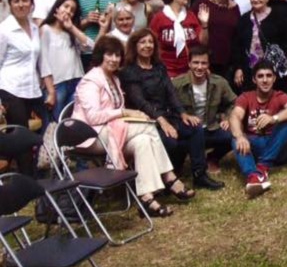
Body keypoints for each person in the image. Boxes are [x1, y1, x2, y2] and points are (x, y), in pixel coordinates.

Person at [73, 36, 194, 217]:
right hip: (90, 136)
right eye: (109, 55)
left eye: (117, 56)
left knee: (143, 141)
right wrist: (125, 113)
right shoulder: (90, 81)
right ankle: (169, 177)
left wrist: (125, 114)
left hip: (112, 132)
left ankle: (146, 198)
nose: (114, 59)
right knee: (148, 127)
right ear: (100, 56)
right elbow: (93, 117)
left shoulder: (114, 78)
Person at [121, 29, 223, 191]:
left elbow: (170, 92)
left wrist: (183, 114)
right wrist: (162, 122)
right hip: (147, 121)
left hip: (168, 115)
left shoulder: (159, 66)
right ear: (134, 46)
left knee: (195, 127)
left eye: (150, 42)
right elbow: (140, 102)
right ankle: (167, 178)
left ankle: (200, 175)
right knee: (170, 140)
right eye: (142, 42)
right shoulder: (129, 72)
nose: (147, 46)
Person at [230, 61, 287, 198]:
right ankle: (253, 177)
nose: (265, 80)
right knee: (236, 137)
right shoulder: (246, 97)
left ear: (274, 78)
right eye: (260, 76)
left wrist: (273, 118)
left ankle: (262, 167)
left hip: (277, 148)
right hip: (254, 146)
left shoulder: (279, 96)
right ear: (254, 79)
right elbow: (235, 116)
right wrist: (240, 136)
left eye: (269, 76)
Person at [0, 0, 49, 174]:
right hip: (11, 89)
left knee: (36, 134)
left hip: (32, 90)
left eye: (24, 0)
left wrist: (50, 89)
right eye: (16, 1)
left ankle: (26, 173)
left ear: (31, 3)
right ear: (10, 5)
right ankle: (28, 182)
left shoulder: (35, 29)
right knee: (20, 137)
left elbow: (40, 61)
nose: (21, 5)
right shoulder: (4, 30)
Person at [39, 0, 108, 121]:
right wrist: (50, 91)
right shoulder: (46, 29)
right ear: (57, 7)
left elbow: (91, 47)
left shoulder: (71, 31)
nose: (68, 11)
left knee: (74, 121)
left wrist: (71, 27)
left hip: (76, 81)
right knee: (55, 122)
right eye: (66, 6)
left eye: (72, 10)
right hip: (57, 84)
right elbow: (43, 62)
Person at [172, 45, 237, 174]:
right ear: (189, 63)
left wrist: (228, 118)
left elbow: (234, 102)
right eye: (196, 62)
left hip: (210, 128)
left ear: (208, 64)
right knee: (174, 145)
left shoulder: (219, 83)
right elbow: (170, 108)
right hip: (187, 131)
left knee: (233, 136)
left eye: (204, 63)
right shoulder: (177, 84)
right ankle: (180, 162)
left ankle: (213, 158)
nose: (200, 67)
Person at [232, 0, 287, 91]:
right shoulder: (244, 19)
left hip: (273, 69)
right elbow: (237, 46)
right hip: (250, 71)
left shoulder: (278, 17)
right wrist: (238, 68)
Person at [148, 0, 209, 78]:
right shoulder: (159, 18)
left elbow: (203, 42)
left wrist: (205, 25)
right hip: (166, 72)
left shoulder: (191, 16)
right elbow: (152, 45)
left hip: (189, 71)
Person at [191, 0, 240, 77]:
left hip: (227, 63)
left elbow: (236, 37)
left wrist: (237, 65)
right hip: (204, 61)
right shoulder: (201, 3)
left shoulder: (235, 8)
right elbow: (191, 31)